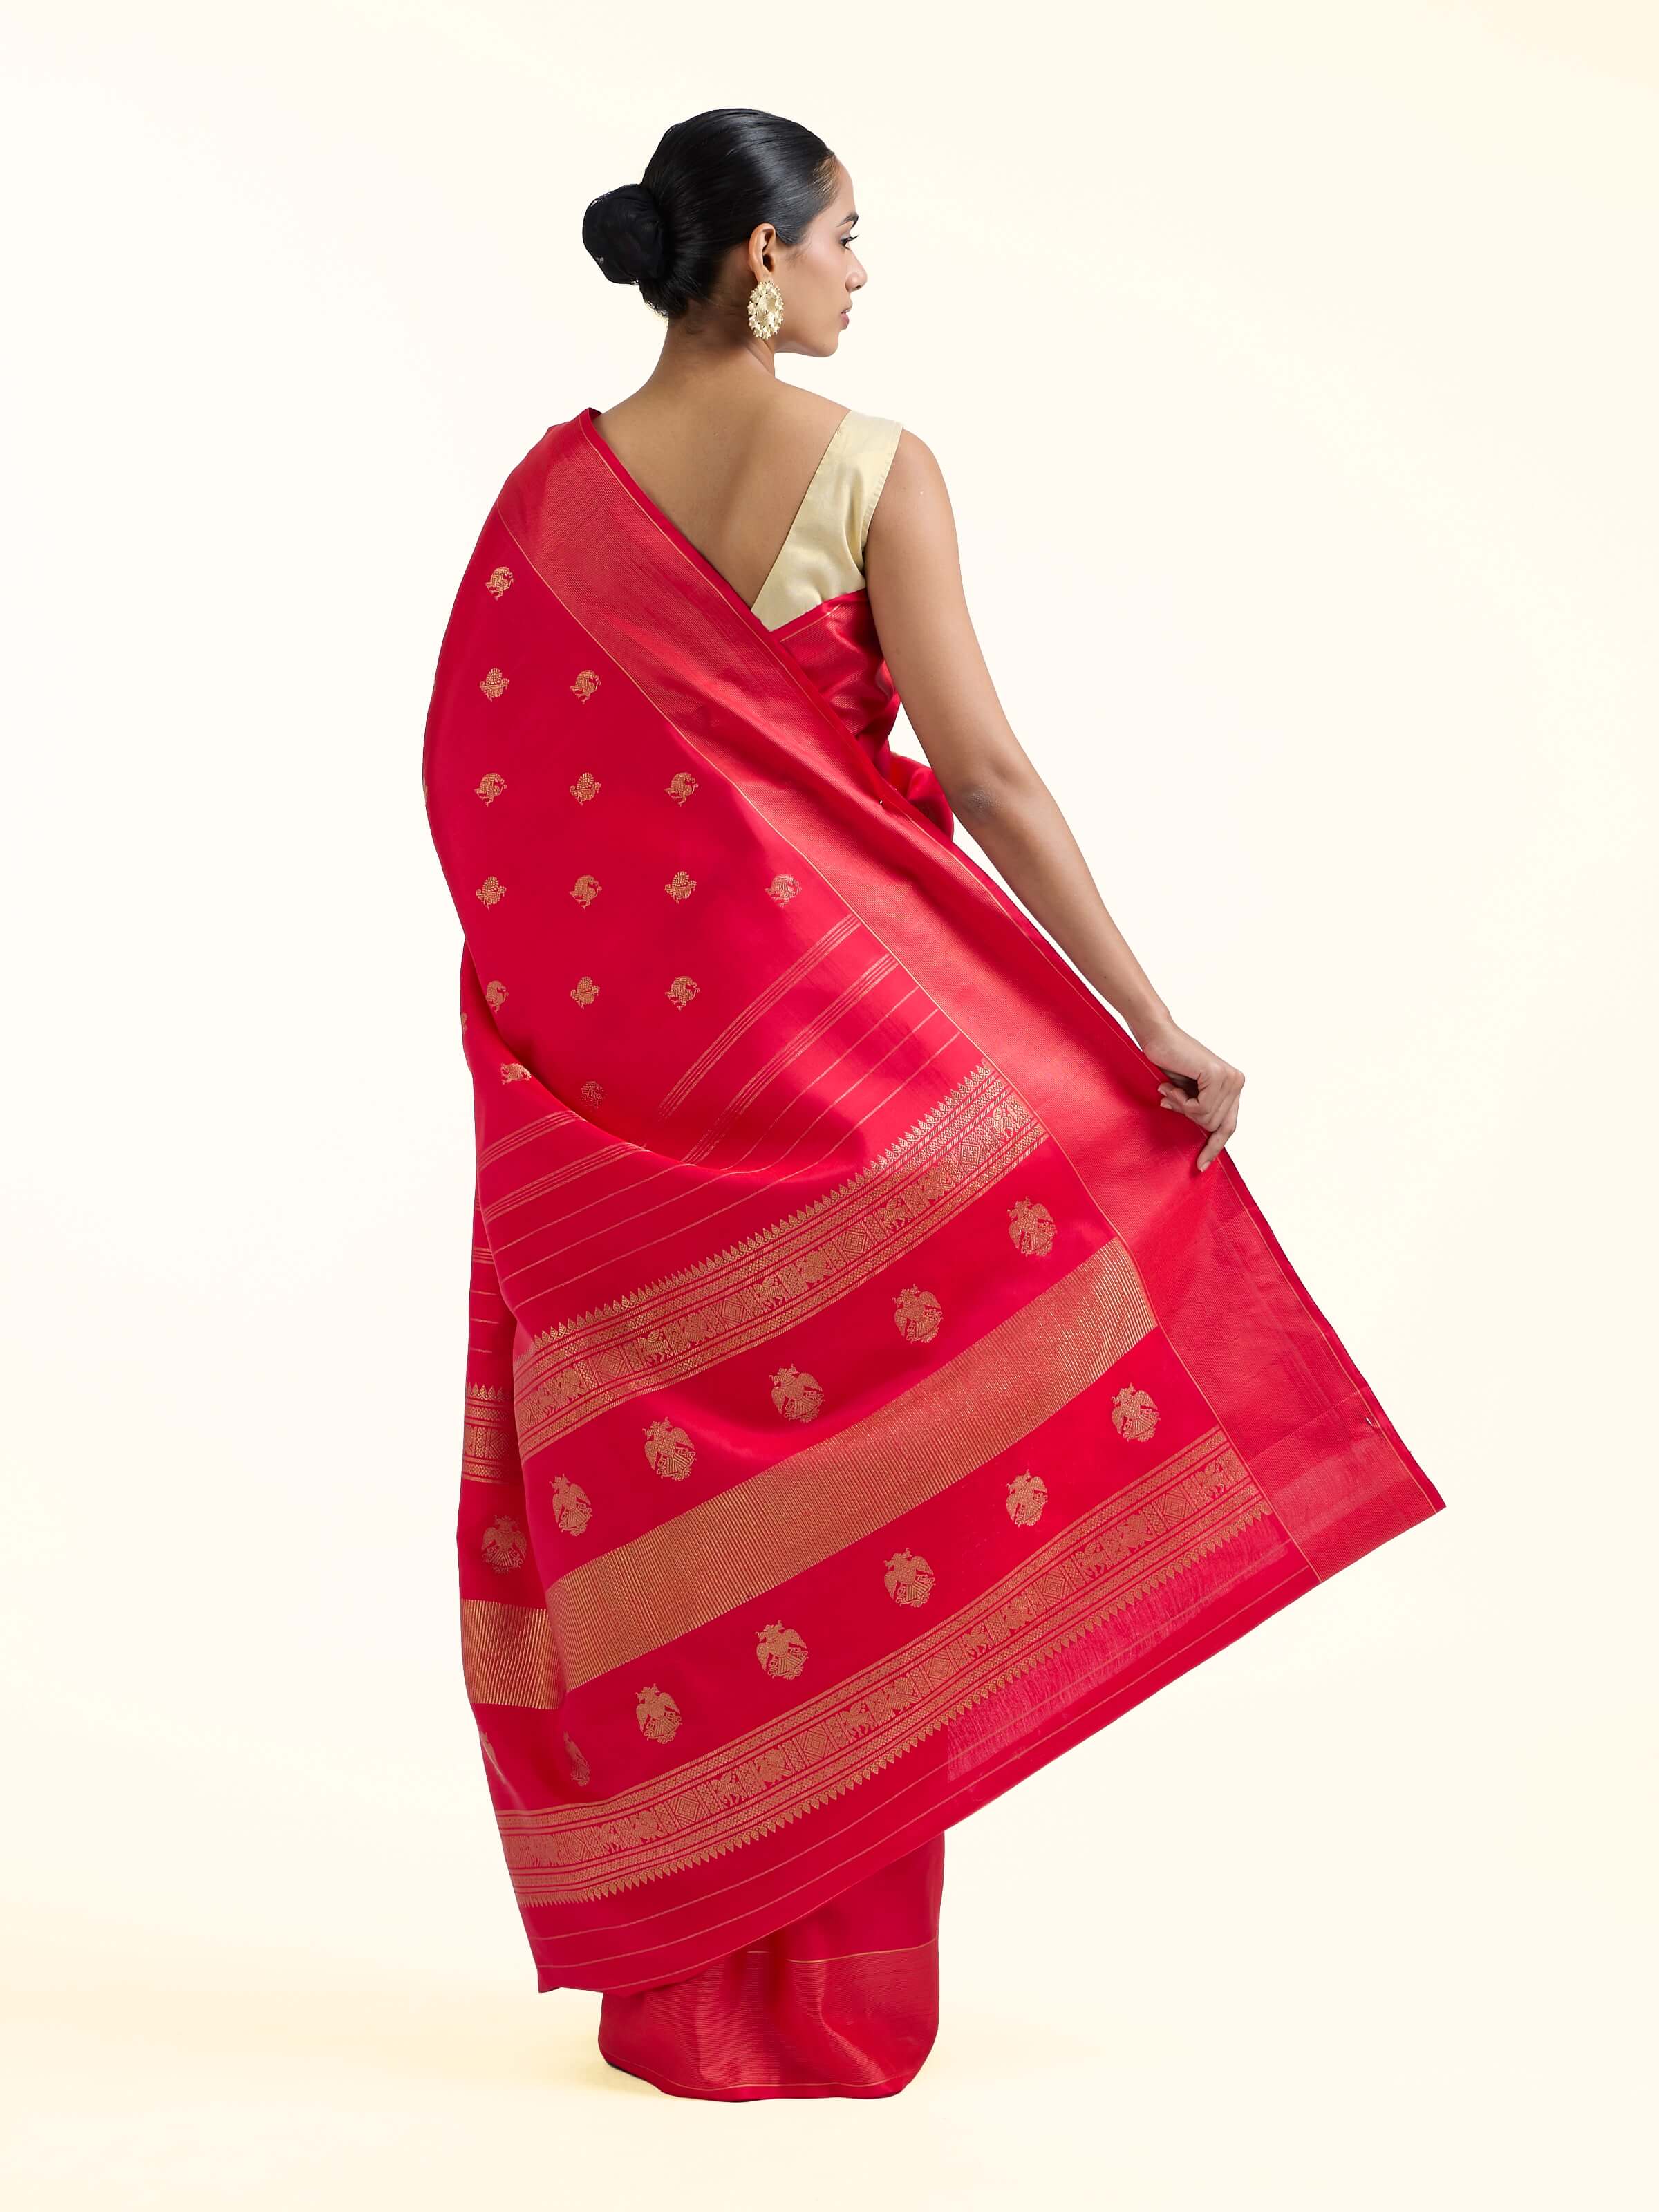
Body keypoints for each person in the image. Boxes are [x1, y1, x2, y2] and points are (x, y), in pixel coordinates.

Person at [421, 106, 1445, 2102]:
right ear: (759, 264)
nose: (866, 274)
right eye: (850, 238)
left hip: (651, 1116)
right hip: (884, 1081)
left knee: (708, 1515)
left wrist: (585, 1058)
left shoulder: (551, 499)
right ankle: (833, 1999)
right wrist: (1142, 1016)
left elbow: (483, 798)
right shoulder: (879, 471)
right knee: (878, 1498)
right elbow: (985, 772)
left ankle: (695, 2003)